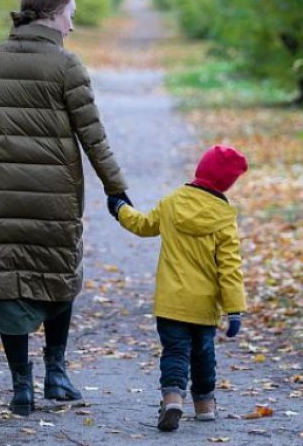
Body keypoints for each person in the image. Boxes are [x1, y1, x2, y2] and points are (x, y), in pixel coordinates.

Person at [0, 0, 131, 416]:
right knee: (59, 277)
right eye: (70, 13)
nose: (73, 24)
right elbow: (94, 136)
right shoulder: (67, 67)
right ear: (52, 13)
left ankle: (21, 387)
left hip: (5, 201)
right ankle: (56, 374)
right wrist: (116, 189)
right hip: (55, 200)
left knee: (9, 283)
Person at [106, 144, 248, 432]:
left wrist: (120, 208)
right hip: (204, 306)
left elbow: (143, 225)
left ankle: (173, 400)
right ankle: (205, 407)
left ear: (200, 169)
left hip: (171, 303)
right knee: (203, 355)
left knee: (174, 352)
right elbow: (230, 267)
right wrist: (235, 310)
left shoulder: (173, 202)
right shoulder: (224, 219)